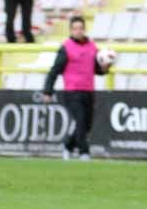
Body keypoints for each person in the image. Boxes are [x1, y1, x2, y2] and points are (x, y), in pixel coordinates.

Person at [42, 17, 110, 161]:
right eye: (75, 28)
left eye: (80, 28)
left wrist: (104, 68)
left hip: (89, 91)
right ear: (71, 30)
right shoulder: (66, 48)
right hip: (72, 91)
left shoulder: (92, 47)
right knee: (80, 121)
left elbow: (97, 69)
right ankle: (84, 153)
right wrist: (48, 91)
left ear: (84, 29)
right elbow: (55, 70)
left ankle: (68, 146)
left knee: (87, 124)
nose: (78, 31)